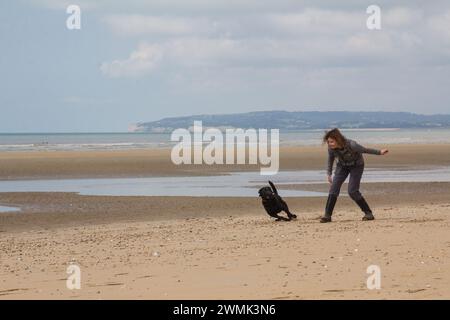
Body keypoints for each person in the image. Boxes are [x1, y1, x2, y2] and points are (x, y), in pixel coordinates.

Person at [320, 128, 389, 223]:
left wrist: (380, 152)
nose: (329, 144)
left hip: (356, 166)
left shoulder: (352, 145)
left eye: (331, 141)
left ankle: (368, 213)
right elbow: (330, 160)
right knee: (333, 189)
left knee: (352, 191)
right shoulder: (331, 148)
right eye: (328, 142)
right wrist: (329, 173)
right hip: (342, 166)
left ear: (338, 139)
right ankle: (327, 216)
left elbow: (365, 150)